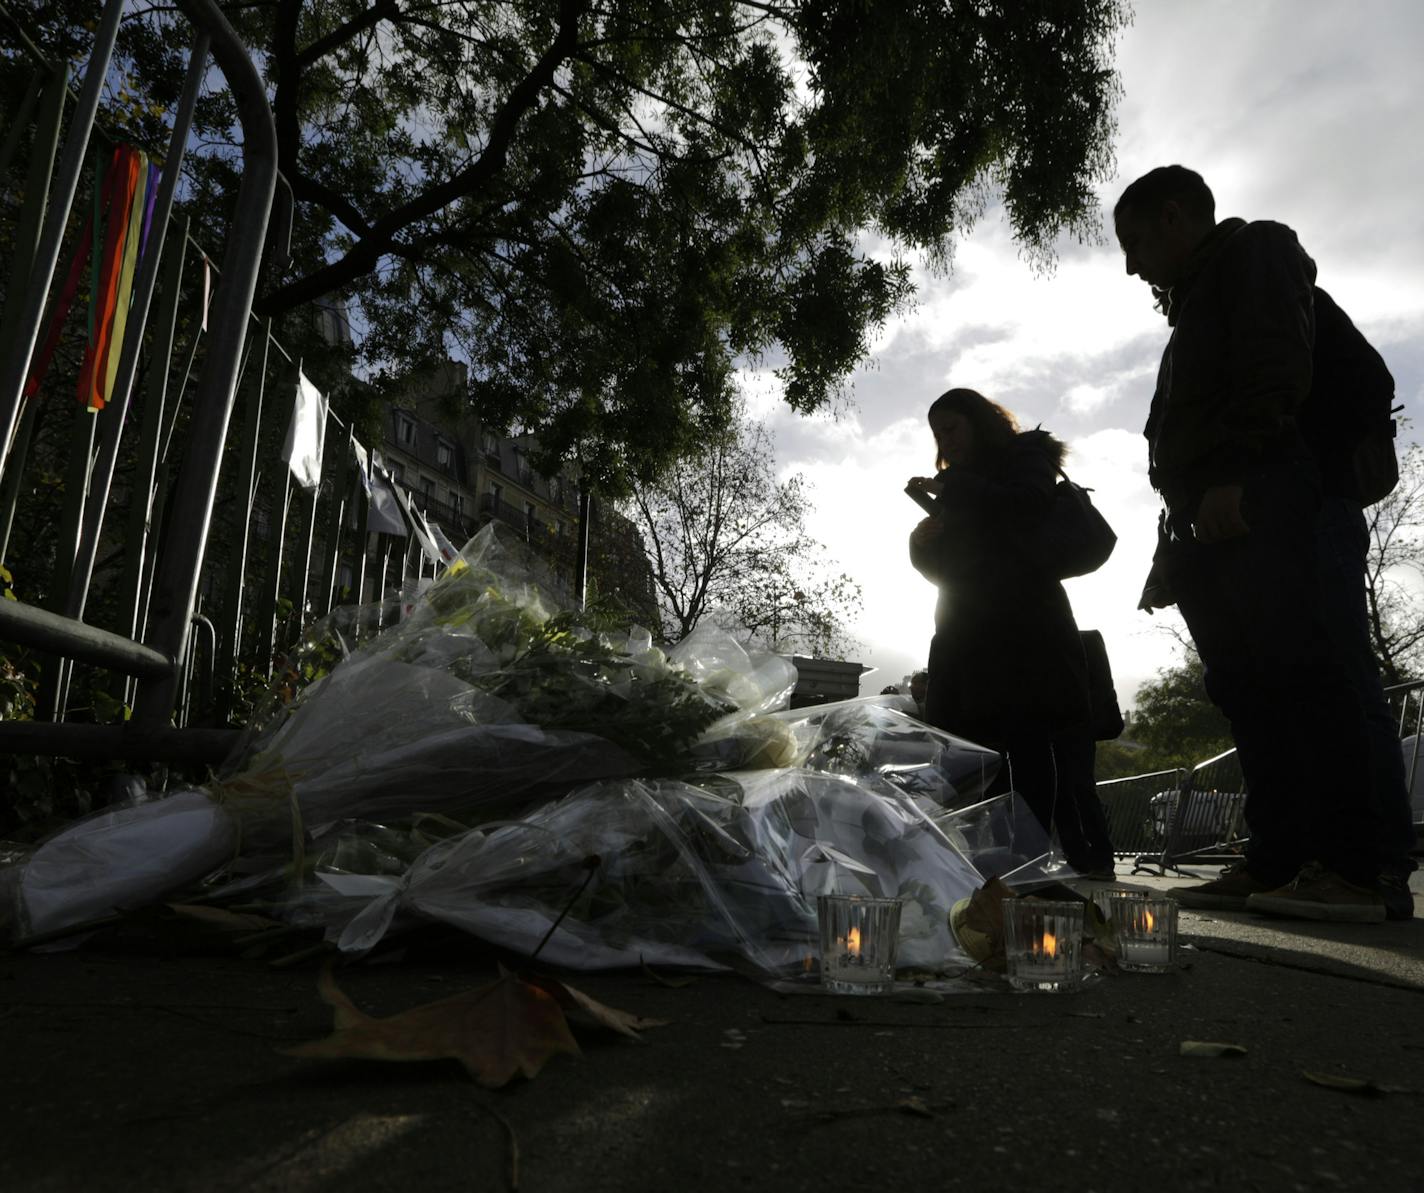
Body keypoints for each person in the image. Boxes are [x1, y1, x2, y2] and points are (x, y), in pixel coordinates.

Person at [1113, 164, 1413, 922]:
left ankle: (1356, 869)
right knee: (1249, 688)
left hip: (1269, 502)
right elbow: (1184, 442)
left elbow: (1276, 367)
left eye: (1136, 239)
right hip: (1218, 518)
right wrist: (1172, 545)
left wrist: (1240, 475)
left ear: (1177, 217)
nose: (1130, 263)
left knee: (1313, 677)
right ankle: (1275, 859)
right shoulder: (1192, 310)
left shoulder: (1257, 256)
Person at [907, 388, 1114, 878]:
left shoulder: (1025, 457)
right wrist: (921, 544)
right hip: (965, 635)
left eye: (952, 428)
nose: (946, 440)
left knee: (1029, 745)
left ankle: (1030, 858)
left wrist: (955, 487)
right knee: (980, 752)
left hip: (1025, 634)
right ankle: (992, 864)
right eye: (938, 434)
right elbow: (951, 570)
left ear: (978, 422)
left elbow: (1028, 503)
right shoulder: (960, 487)